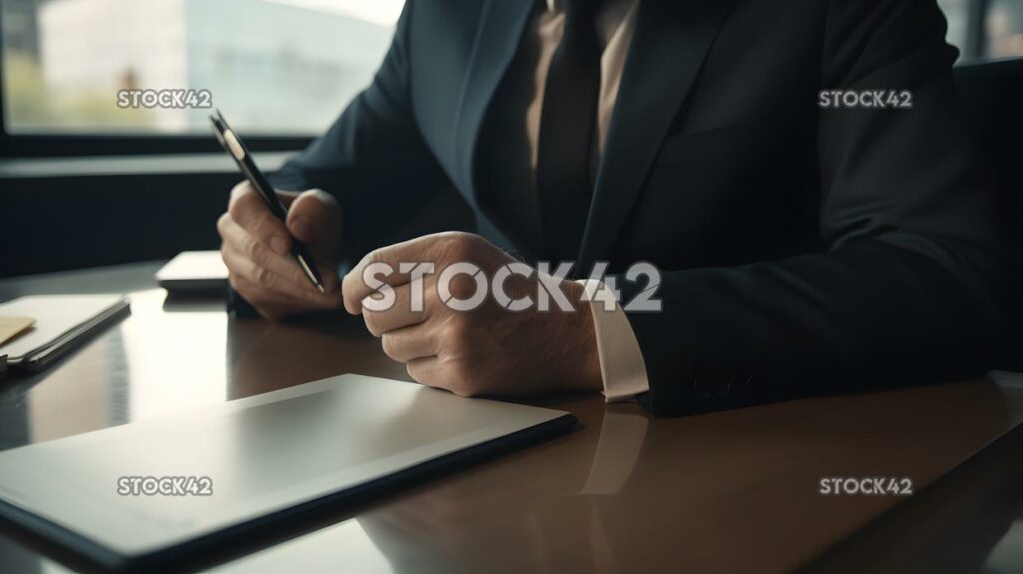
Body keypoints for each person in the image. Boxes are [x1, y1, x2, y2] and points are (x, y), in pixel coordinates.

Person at [217, 0, 1003, 415]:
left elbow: (945, 273)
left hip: (757, 467)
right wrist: (277, 231)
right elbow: (322, 183)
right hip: (478, 466)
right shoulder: (444, 14)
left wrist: (585, 332)